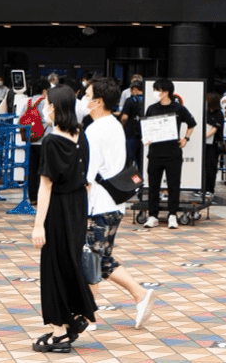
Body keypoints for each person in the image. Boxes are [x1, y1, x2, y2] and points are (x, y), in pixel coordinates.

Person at [83, 78, 156, 331]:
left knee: (91, 257)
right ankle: (138, 295)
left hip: (98, 205)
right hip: (115, 203)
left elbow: (88, 176)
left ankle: (88, 315)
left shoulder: (94, 130)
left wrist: (81, 208)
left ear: (98, 101)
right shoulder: (114, 125)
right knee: (100, 258)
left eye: (87, 94)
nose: (84, 98)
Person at [31, 84, 96, 352]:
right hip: (78, 206)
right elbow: (87, 180)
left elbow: (45, 186)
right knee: (70, 262)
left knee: (53, 267)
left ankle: (59, 332)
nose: (44, 109)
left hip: (57, 208)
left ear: (55, 108)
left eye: (47, 104)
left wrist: (38, 225)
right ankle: (72, 319)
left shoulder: (50, 141)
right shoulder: (81, 135)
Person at [142, 79, 196, 229]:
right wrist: (146, 137)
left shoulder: (178, 109)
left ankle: (173, 214)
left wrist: (186, 138)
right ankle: (153, 215)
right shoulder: (151, 109)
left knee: (173, 185)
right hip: (154, 153)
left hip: (173, 153)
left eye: (157, 90)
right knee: (153, 185)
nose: (155, 93)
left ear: (166, 92)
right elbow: (146, 127)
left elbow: (192, 123)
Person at [119, 80, 145, 171]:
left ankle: (130, 181)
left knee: (129, 157)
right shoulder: (147, 99)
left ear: (134, 89)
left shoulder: (130, 100)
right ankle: (142, 180)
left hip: (131, 133)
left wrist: (122, 126)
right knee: (142, 159)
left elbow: (124, 117)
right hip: (144, 133)